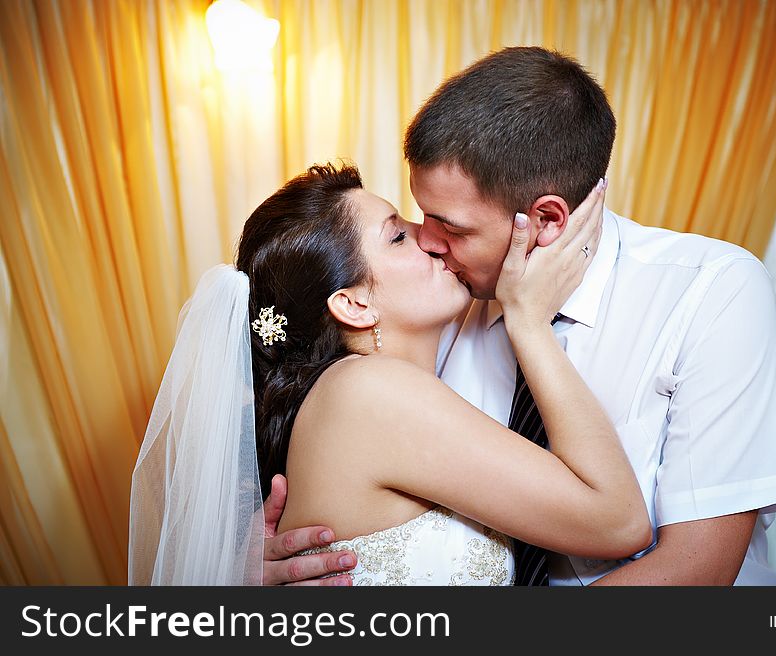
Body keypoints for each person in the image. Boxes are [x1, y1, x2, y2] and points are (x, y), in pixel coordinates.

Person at [268, 47, 776, 586]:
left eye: (451, 227)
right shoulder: (434, 312)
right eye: (412, 222)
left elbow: (698, 569)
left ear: (546, 220)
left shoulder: (710, 289)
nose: (430, 243)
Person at [129, 162, 651, 585]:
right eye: (398, 236)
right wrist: (530, 323)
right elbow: (618, 521)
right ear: (354, 305)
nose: (429, 237)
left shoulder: (362, 394)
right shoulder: (370, 392)